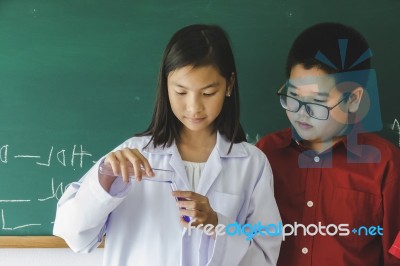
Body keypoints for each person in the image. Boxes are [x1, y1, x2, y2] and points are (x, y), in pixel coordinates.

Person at [53, 24, 282, 266]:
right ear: (166, 85)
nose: (194, 107)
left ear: (229, 85)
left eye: (208, 93)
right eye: (181, 92)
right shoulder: (132, 155)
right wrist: (104, 182)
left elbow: (265, 257)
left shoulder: (252, 164)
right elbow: (73, 235)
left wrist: (218, 224)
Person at [256, 22, 400, 265]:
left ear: (353, 100)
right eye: (293, 96)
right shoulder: (265, 154)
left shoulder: (386, 165)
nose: (300, 113)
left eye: (317, 102)